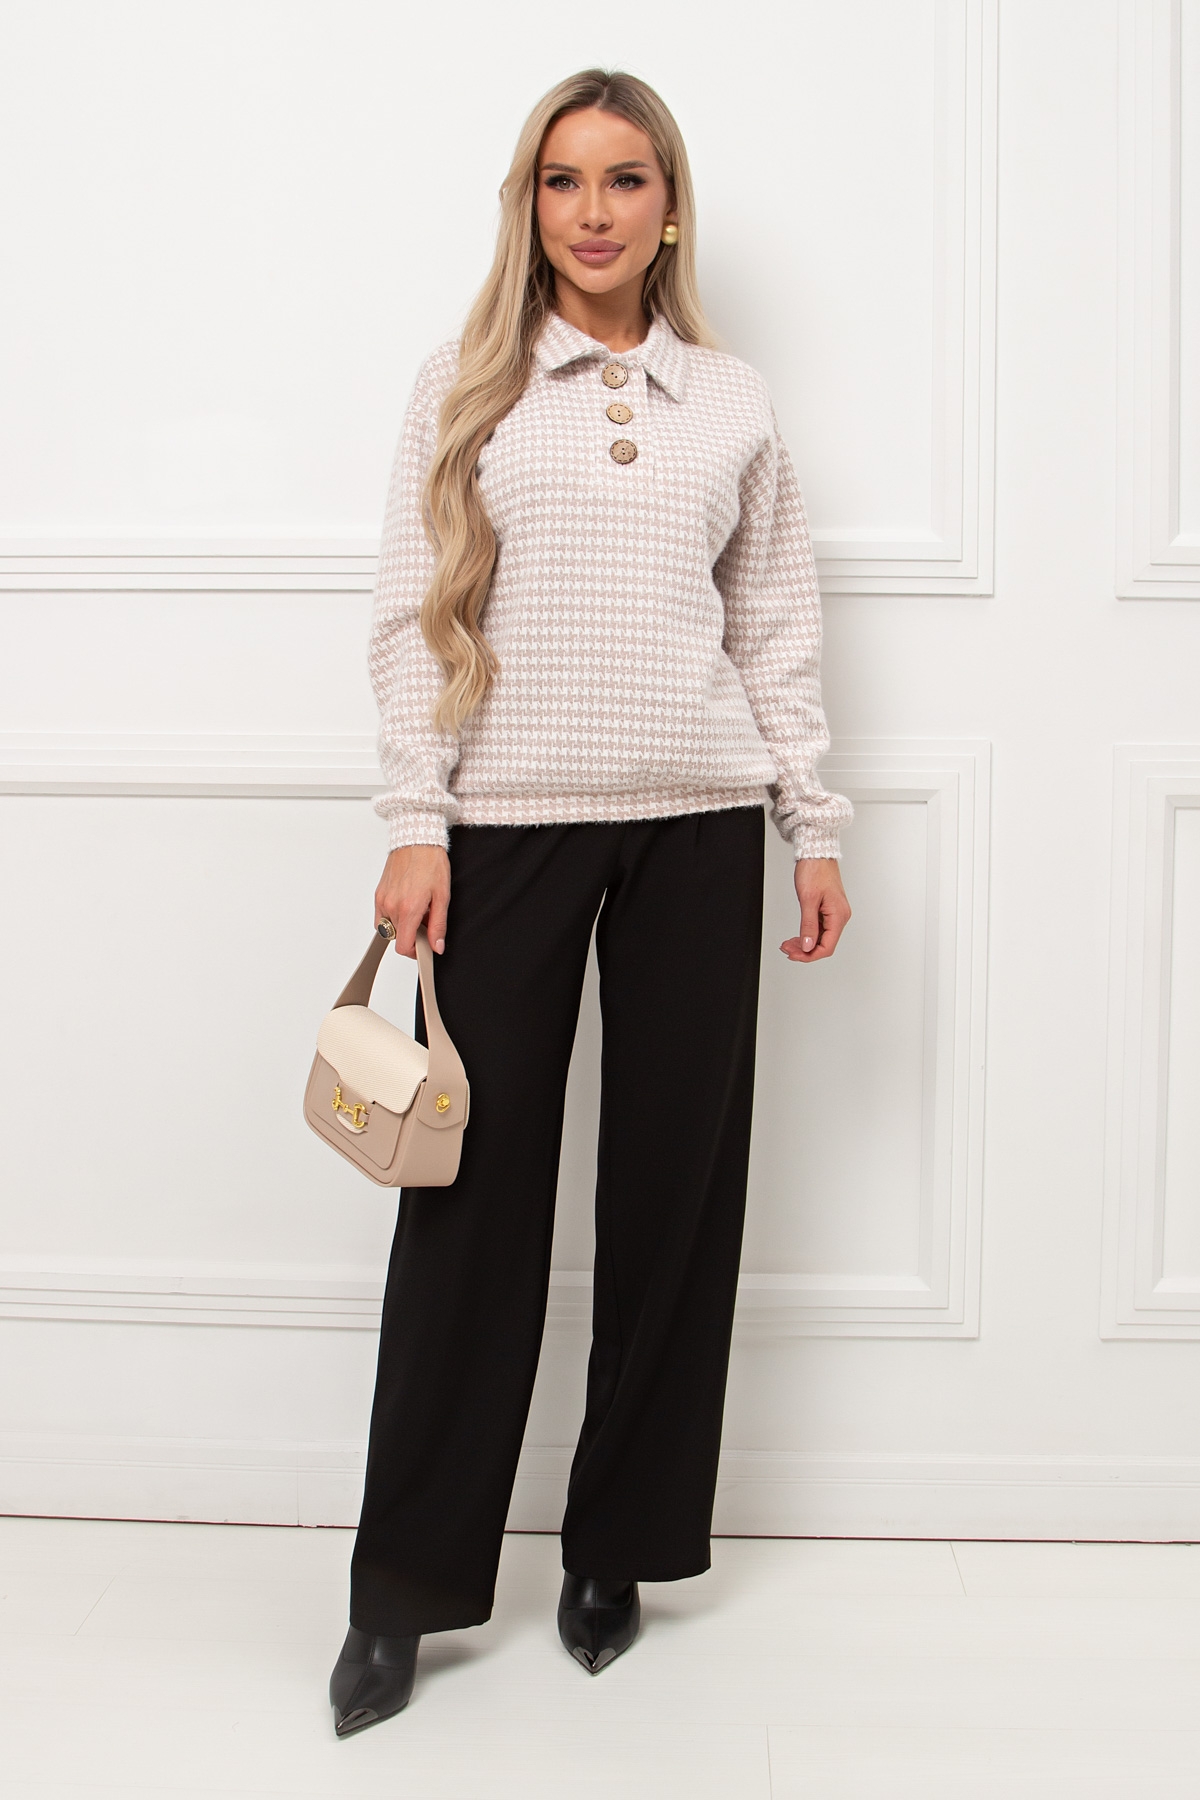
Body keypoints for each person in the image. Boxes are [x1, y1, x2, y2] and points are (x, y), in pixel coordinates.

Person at [328, 67, 853, 1738]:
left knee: (673, 1195)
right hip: (509, 827)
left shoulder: (732, 398)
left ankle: (617, 1548)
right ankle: (405, 1587)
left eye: (627, 180)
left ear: (670, 207)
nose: (595, 211)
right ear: (530, 205)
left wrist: (812, 822)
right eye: (564, 181)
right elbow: (413, 613)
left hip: (701, 826)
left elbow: (774, 622)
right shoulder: (468, 384)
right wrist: (418, 818)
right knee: (471, 1203)